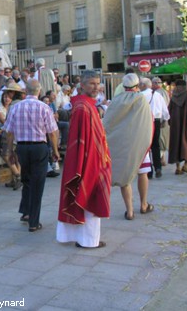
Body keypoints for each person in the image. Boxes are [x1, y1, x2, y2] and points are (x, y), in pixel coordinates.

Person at [57, 71, 111, 248]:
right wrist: (88, 162)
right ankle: (88, 240)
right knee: (88, 196)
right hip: (88, 161)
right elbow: (81, 141)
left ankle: (84, 238)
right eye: (92, 84)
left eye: (98, 83)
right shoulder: (82, 107)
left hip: (94, 159)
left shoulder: (87, 105)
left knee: (88, 198)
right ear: (82, 86)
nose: (96, 87)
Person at [3, 79, 60, 232]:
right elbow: (52, 133)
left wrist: (10, 151)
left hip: (22, 146)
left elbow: (9, 132)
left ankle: (26, 212)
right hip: (39, 147)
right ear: (39, 91)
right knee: (37, 183)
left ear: (25, 91)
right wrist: (55, 150)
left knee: (27, 179)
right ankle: (33, 221)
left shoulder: (16, 107)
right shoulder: (44, 107)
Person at [104, 74, 154, 221]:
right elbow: (147, 122)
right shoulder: (142, 100)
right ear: (137, 85)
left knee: (125, 176)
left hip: (122, 144)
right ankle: (143, 204)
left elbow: (108, 122)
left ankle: (130, 211)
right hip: (139, 143)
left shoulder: (117, 100)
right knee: (142, 173)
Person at [140, 77, 170, 179]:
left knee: (146, 146)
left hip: (145, 121)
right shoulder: (157, 96)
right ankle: (158, 167)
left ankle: (148, 170)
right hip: (156, 121)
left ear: (143, 85)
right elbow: (165, 111)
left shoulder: (140, 96)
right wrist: (165, 120)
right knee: (155, 145)